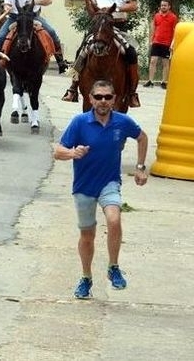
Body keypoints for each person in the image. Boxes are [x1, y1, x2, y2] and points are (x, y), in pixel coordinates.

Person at [53, 79, 148, 299]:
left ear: (114, 99)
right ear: (90, 99)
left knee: (114, 219)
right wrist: (72, 153)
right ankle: (86, 277)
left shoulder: (123, 122)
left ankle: (113, 267)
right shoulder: (79, 122)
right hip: (84, 187)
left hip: (109, 183)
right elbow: (58, 151)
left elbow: (142, 137)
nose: (103, 101)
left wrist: (141, 167)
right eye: (98, 97)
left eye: (107, 97)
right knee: (88, 236)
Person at [63, 0, 141, 106]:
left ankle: (132, 93)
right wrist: (88, 1)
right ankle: (73, 88)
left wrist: (115, 8)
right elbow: (93, 14)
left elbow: (133, 5)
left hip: (116, 26)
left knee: (130, 52)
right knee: (82, 51)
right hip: (99, 26)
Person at [0, 0, 67, 73]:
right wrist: (7, 7)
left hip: (32, 17)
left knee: (52, 32)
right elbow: (6, 3)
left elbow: (48, 0)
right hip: (15, 18)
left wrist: (35, 1)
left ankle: (60, 62)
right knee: (0, 38)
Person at [146, 0, 178, 89]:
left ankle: (163, 82)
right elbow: (153, 28)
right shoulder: (156, 16)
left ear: (169, 7)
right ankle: (150, 81)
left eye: (165, 5)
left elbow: (176, 31)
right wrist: (150, 41)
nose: (163, 7)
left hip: (167, 43)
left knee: (165, 63)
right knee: (153, 61)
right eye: (162, 5)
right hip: (156, 41)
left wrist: (172, 44)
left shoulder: (173, 17)